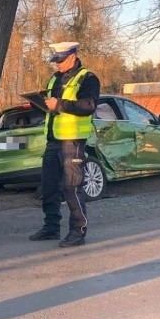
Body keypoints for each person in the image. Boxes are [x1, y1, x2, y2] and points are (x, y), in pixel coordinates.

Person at [30, 42, 100, 248]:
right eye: (55, 61)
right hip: (53, 140)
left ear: (73, 56)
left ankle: (78, 231)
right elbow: (51, 107)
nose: (57, 65)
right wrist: (40, 103)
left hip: (73, 140)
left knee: (72, 187)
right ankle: (51, 227)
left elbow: (89, 105)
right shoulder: (56, 78)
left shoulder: (87, 78)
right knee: (49, 186)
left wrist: (59, 104)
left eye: (60, 60)